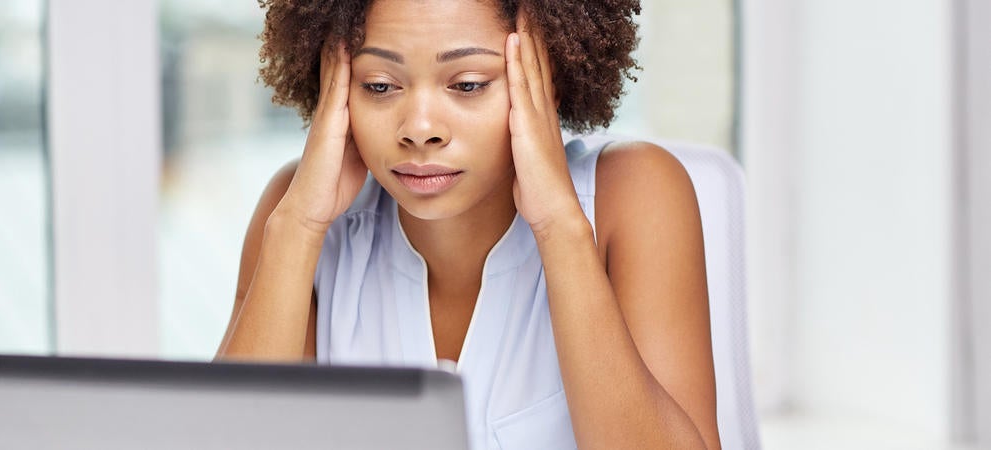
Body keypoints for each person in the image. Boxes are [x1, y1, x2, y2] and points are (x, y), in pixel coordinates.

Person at [216, 0, 721, 448]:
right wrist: (299, 227)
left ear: (551, 77)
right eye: (379, 86)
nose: (420, 129)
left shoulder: (634, 195)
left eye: (468, 85)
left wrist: (560, 227)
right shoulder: (297, 216)